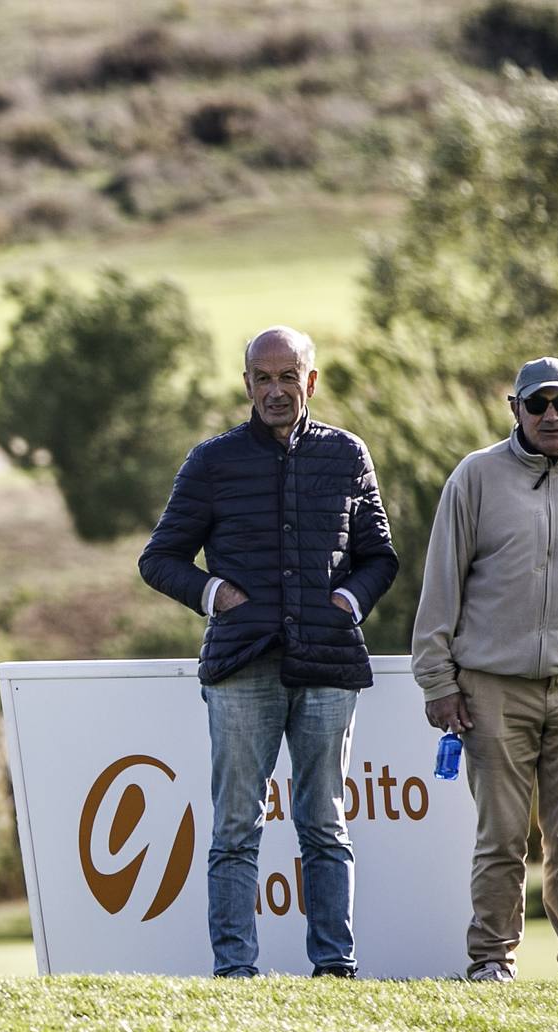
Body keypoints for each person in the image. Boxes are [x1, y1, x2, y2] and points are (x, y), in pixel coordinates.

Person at [137, 326, 398, 978]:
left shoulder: (347, 455)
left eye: (290, 377)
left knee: (324, 824)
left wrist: (349, 602)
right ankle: (235, 972)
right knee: (235, 829)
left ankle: (335, 968)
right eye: (264, 378)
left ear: (311, 381)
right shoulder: (211, 461)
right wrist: (215, 592)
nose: (277, 390)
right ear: (246, 383)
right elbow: (159, 559)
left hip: (328, 663)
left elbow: (379, 558)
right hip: (240, 666)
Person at [411, 356, 558, 987]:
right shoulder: (475, 477)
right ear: (512, 408)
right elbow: (442, 584)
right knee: (501, 837)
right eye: (536, 404)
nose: (550, 415)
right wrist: (437, 680)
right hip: (491, 688)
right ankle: (491, 961)